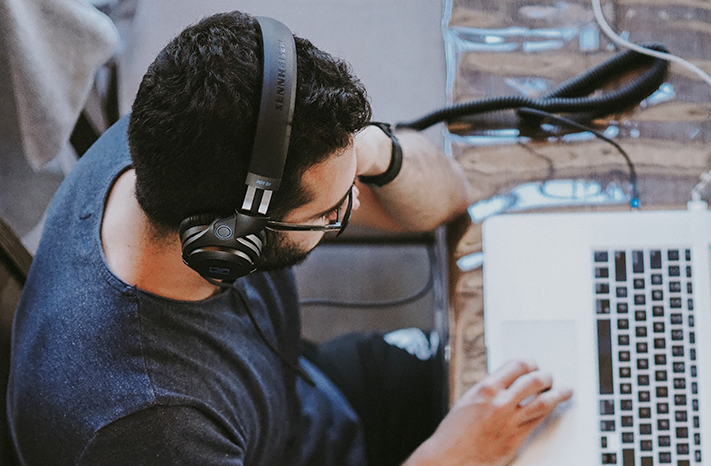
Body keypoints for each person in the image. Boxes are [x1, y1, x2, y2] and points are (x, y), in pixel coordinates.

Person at [7, 11, 572, 466]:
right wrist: (456, 455)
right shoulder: (147, 431)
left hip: (308, 401)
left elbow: (446, 197)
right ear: (228, 241)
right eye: (331, 211)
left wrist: (369, 151)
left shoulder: (175, 137)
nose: (351, 208)